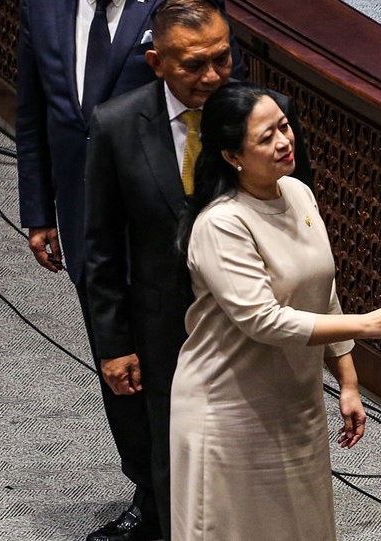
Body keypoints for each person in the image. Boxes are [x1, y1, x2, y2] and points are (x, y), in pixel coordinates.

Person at [82, 1, 313, 539]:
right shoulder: (116, 125)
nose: (212, 76)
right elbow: (102, 249)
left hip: (255, 318)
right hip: (165, 326)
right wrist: (113, 345)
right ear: (156, 62)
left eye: (222, 58)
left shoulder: (269, 114)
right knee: (173, 453)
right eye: (193, 65)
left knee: (258, 446)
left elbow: (299, 218)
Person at [15, 0, 245, 539]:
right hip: (87, 218)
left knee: (193, 371)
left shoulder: (179, 9)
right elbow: (35, 114)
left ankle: (214, 503)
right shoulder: (43, 7)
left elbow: (227, 101)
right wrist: (40, 211)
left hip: (168, 224)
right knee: (121, 369)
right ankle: (151, 499)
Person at [168, 81, 381, 540]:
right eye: (266, 137)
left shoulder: (298, 193)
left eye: (284, 127)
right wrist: (368, 325)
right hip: (228, 411)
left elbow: (322, 290)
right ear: (232, 155)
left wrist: (348, 381)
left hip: (295, 402)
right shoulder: (222, 223)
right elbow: (263, 320)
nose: (285, 142)